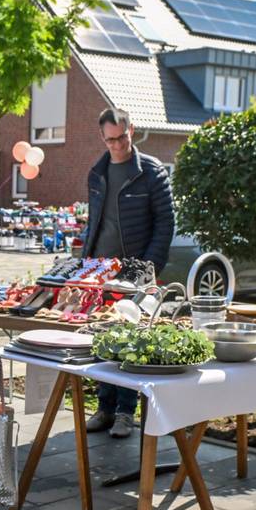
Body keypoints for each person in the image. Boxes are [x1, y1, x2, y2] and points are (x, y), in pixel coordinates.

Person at [83, 107, 175, 439]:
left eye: (122, 138)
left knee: (130, 342)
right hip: (101, 271)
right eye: (111, 140)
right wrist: (86, 262)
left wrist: (147, 268)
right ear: (102, 137)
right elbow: (94, 222)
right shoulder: (97, 172)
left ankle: (125, 413)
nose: (117, 146)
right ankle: (104, 407)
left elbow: (166, 223)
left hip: (137, 272)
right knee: (102, 340)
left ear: (131, 131)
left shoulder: (151, 171)